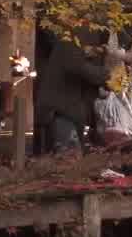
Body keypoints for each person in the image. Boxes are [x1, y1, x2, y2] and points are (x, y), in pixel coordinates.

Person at [35, 27, 108, 155]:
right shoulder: (68, 46)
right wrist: (108, 74)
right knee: (68, 152)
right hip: (61, 111)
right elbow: (83, 70)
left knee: (69, 151)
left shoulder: (68, 47)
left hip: (66, 110)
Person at [95, 28, 132, 148]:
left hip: (119, 85)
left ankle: (115, 157)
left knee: (119, 126)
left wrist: (120, 54)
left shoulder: (122, 31)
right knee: (110, 125)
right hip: (106, 83)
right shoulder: (103, 31)